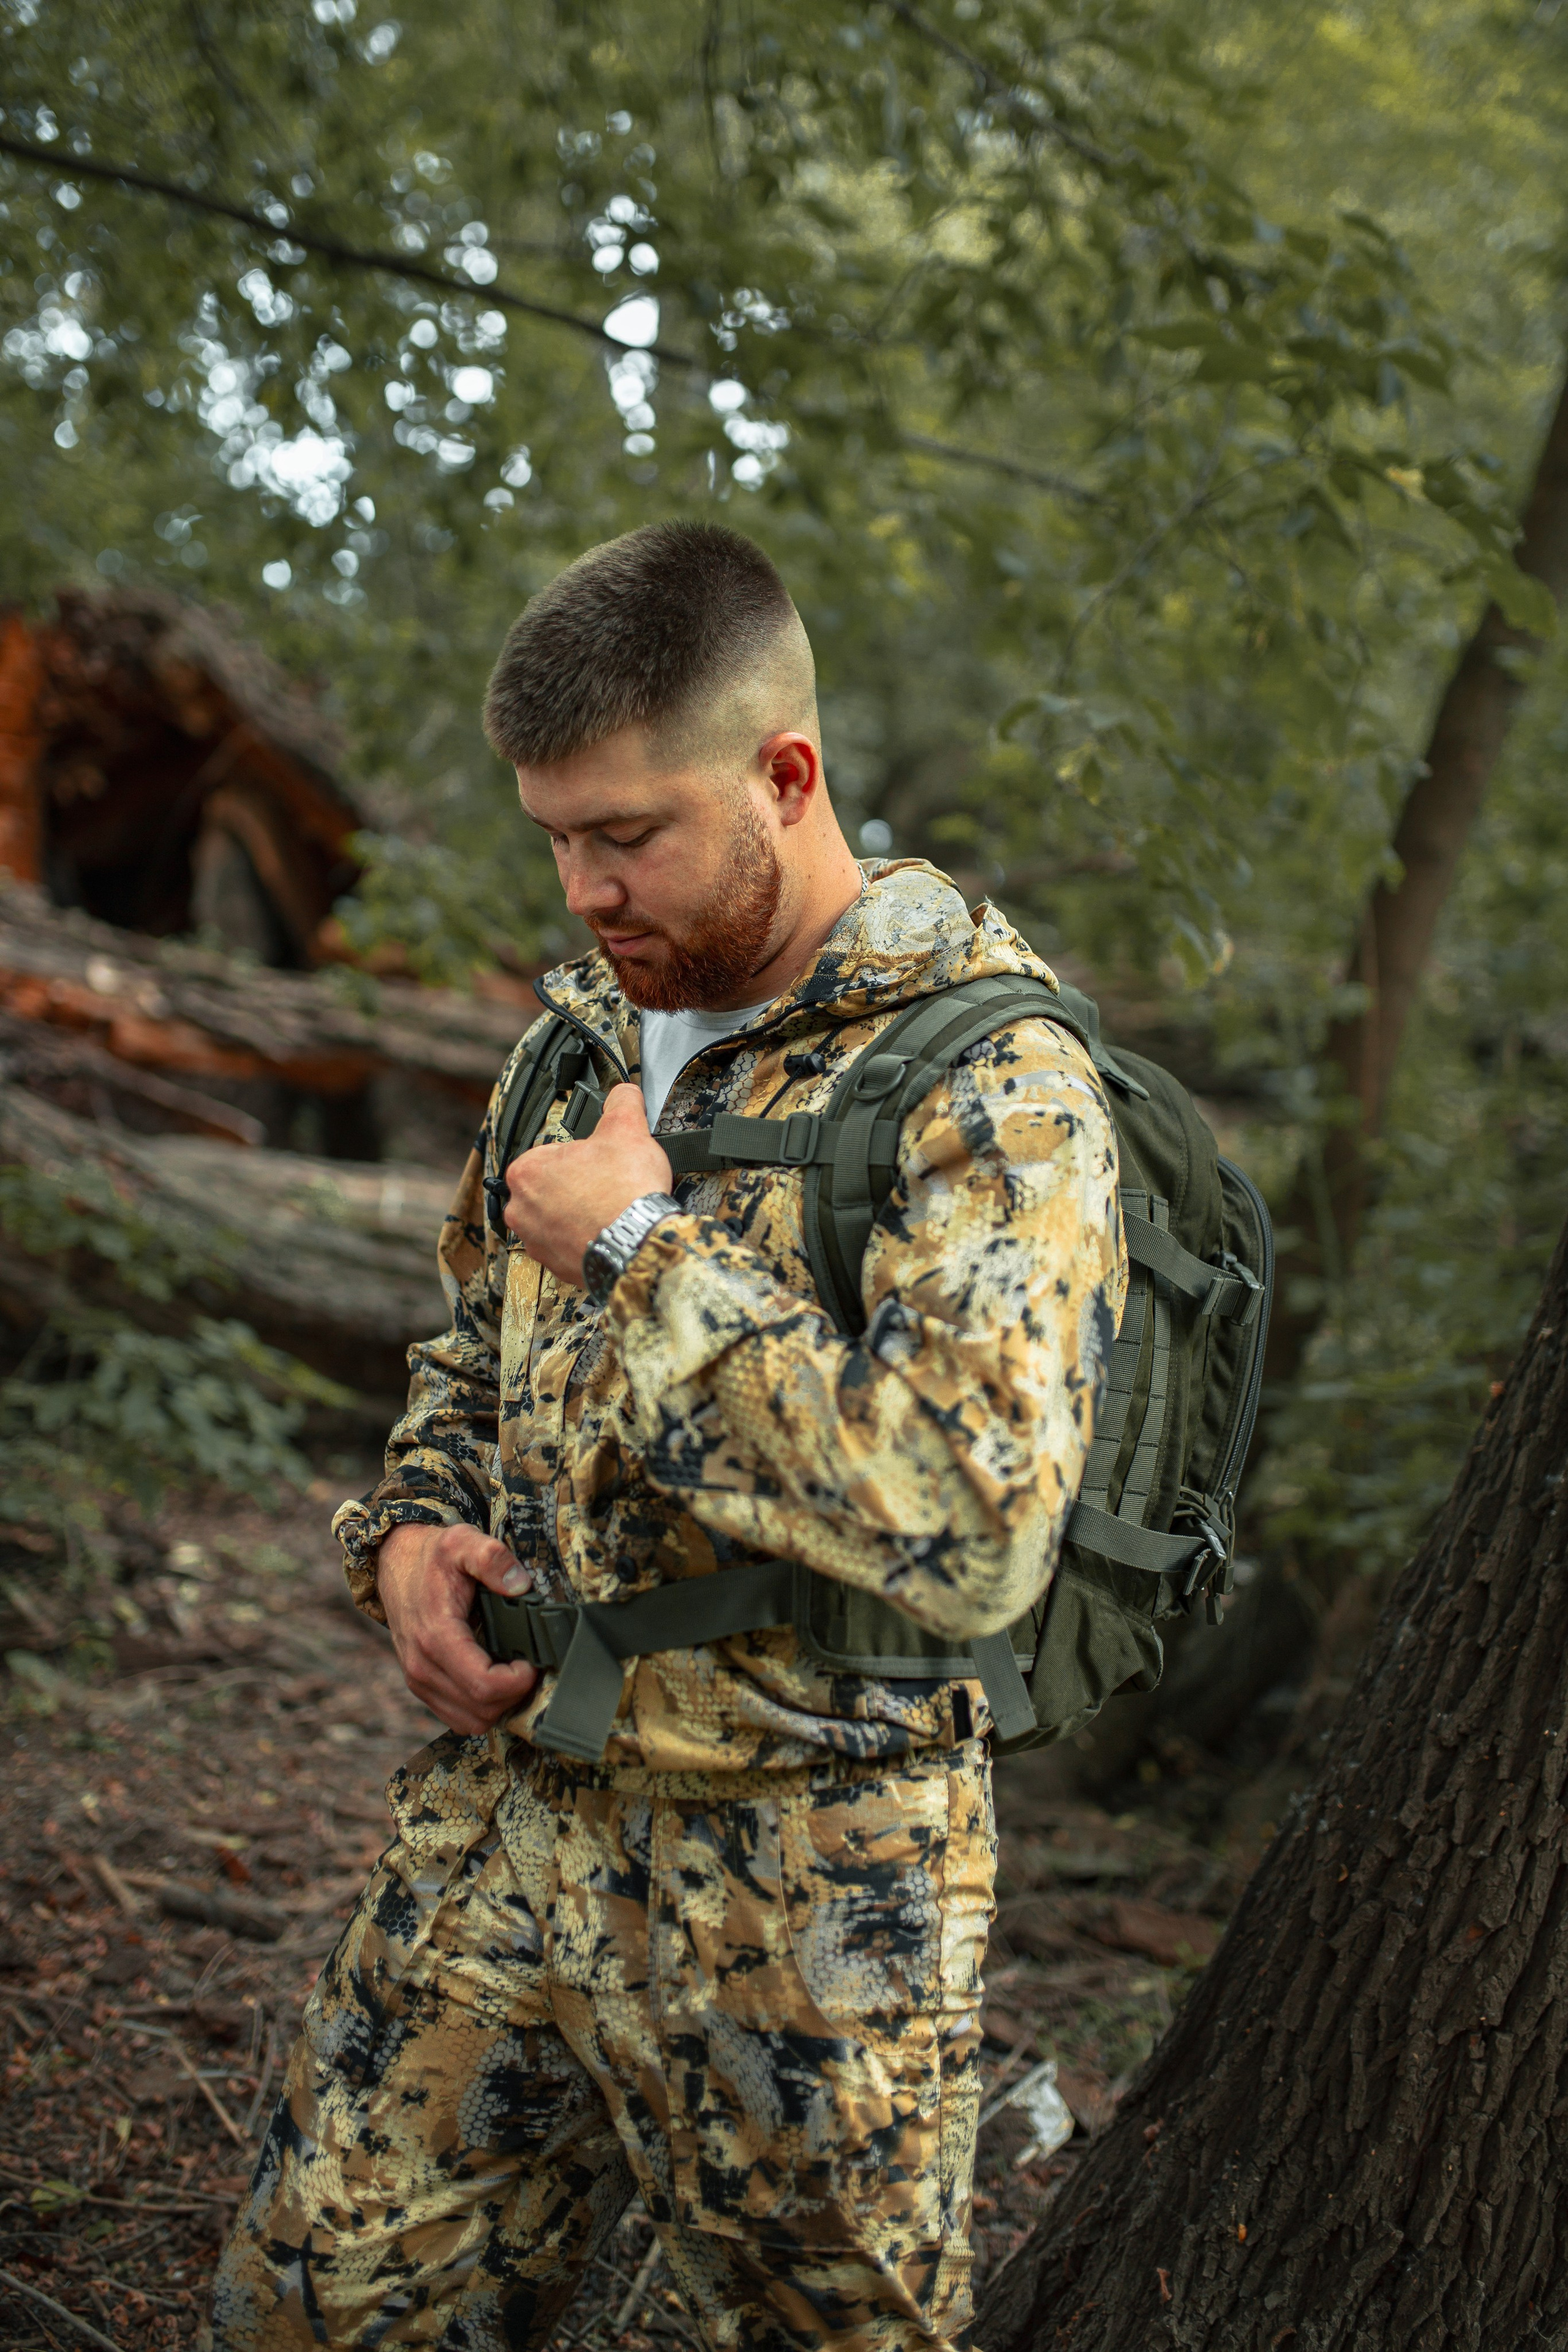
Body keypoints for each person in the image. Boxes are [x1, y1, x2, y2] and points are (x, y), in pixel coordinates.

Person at [213, 521, 1126, 2352]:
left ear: (785, 778)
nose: (583, 890)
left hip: (809, 1877)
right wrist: (410, 1528)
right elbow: (473, 1341)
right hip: (509, 1813)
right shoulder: (581, 1043)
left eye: (626, 835)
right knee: (317, 2304)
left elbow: (968, 1514)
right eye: (556, 837)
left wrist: (640, 1252)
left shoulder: (990, 1085)